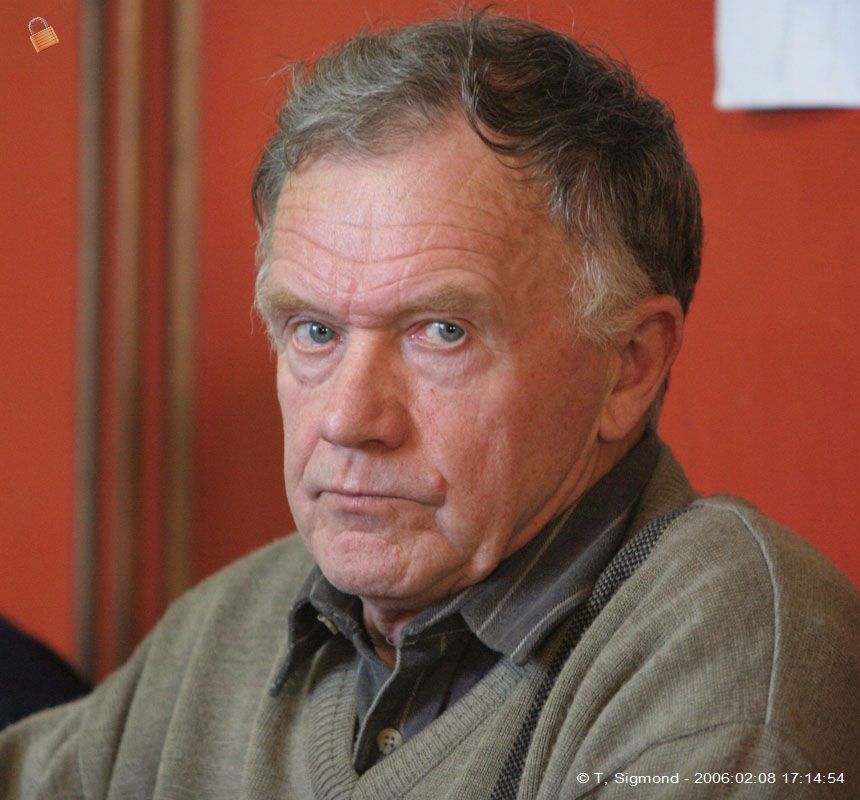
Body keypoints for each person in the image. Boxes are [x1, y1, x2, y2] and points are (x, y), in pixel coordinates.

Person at [1, 9, 858, 799]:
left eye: (441, 331)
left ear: (630, 366)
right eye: (314, 331)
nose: (348, 419)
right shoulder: (234, 623)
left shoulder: (726, 644)